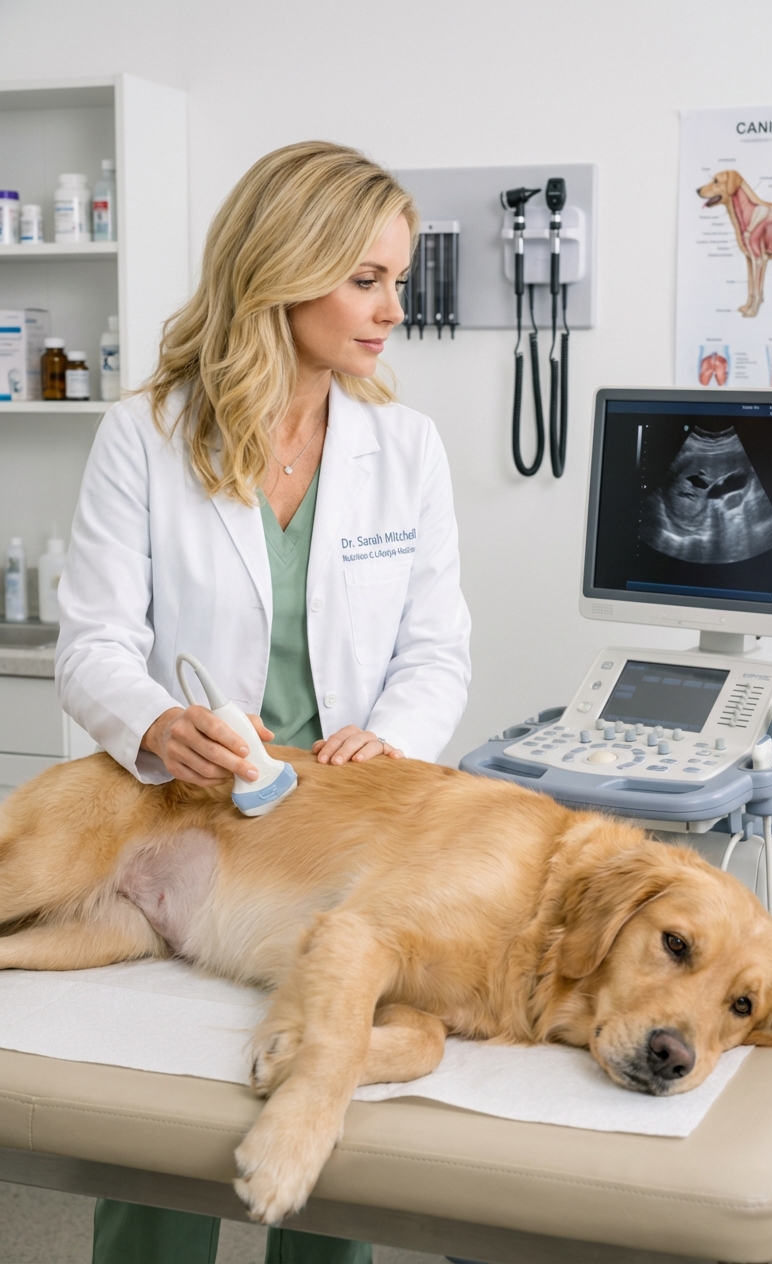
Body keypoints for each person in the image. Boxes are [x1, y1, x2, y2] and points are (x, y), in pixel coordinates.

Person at [55, 141, 471, 1264]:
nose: (393, 309)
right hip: (186, 818)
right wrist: (151, 723)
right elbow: (91, 640)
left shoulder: (405, 448)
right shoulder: (146, 434)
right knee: (159, 1135)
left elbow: (438, 648)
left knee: (322, 1120)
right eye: (366, 279)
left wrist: (394, 741)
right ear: (285, 269)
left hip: (342, 826)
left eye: (398, 278)